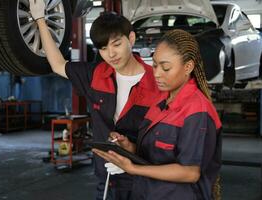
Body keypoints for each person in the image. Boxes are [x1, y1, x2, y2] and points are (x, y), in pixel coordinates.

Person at [29, 1, 162, 199]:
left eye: (116, 44)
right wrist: (40, 19)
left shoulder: (158, 83)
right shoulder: (95, 76)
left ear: (131, 38)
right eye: (103, 48)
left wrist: (136, 160)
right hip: (107, 178)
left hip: (146, 180)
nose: (111, 54)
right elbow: (58, 65)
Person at [93, 29, 222, 200]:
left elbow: (190, 172)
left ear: (188, 67)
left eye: (166, 68)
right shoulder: (160, 102)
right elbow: (156, 153)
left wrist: (133, 168)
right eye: (154, 65)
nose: (157, 73)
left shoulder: (197, 111)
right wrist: (130, 148)